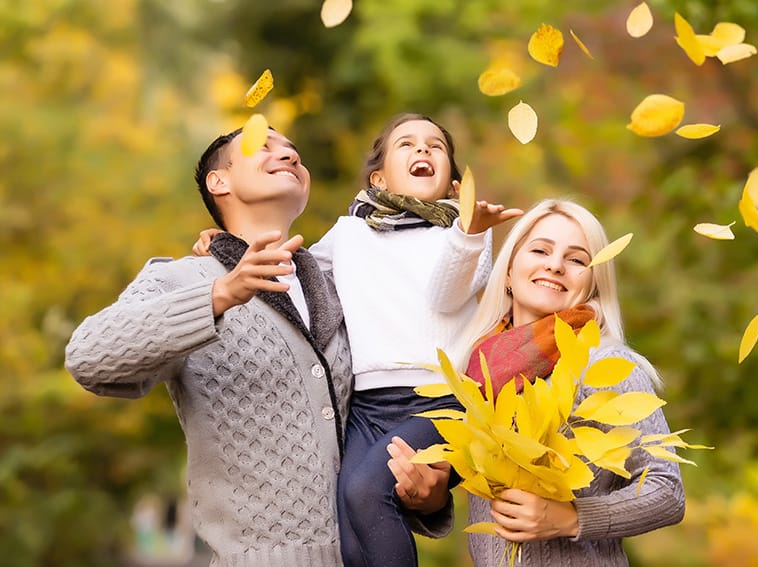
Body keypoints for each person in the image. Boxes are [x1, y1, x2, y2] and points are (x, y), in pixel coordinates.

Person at [65, 126, 452, 567]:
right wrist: (221, 294)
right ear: (219, 181)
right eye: (264, 147)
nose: (287, 155)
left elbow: (379, 416)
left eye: (293, 150)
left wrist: (430, 498)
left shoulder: (340, 285)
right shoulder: (179, 280)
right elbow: (89, 357)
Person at [193, 112, 523, 567]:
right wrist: (225, 243)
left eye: (436, 147)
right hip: (368, 404)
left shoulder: (463, 235)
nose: (423, 150)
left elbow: (447, 297)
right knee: (349, 517)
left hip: (440, 399)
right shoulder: (351, 233)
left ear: (453, 186)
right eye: (406, 144)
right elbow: (300, 274)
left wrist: (469, 233)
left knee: (369, 490)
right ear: (379, 177)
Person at [449, 197, 686, 566]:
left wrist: (572, 518)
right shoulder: (475, 370)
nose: (555, 265)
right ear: (509, 271)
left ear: (593, 283)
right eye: (541, 249)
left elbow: (667, 490)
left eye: (576, 259)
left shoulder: (606, 365)